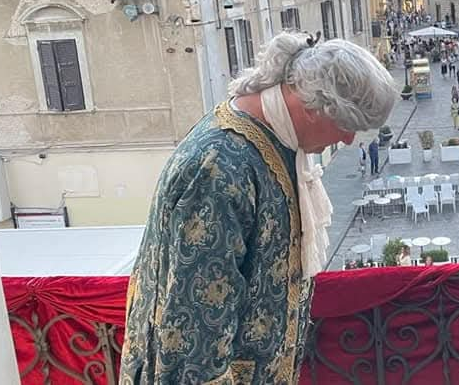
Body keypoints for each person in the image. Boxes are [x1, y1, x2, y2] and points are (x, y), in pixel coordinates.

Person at [120, 33, 396, 383]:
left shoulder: (275, 142)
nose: (348, 140)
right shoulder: (219, 168)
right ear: (312, 108)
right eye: (347, 125)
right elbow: (192, 339)